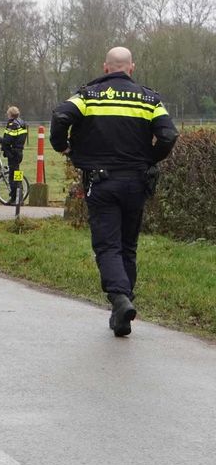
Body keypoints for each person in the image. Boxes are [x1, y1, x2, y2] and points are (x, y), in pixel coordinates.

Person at [50, 46, 178, 337]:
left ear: (106, 68)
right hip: (136, 181)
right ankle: (122, 312)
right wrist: (150, 158)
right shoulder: (149, 98)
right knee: (128, 247)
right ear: (131, 68)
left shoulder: (88, 95)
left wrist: (63, 147)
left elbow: (60, 116)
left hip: (102, 183)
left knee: (108, 247)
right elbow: (169, 134)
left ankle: (119, 298)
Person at [0, 106, 28, 200]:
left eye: (7, 113)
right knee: (17, 174)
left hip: (12, 153)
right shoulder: (22, 123)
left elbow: (8, 140)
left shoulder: (12, 124)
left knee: (12, 176)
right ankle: (19, 196)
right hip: (19, 152)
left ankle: (15, 198)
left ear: (10, 114)